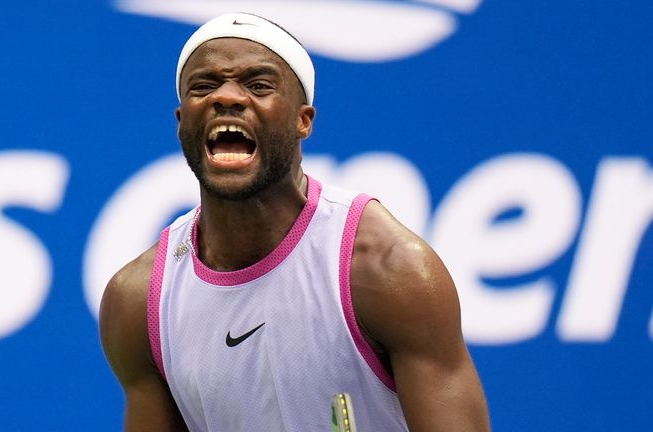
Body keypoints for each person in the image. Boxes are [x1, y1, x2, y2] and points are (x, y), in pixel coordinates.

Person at [100, 12, 490, 432]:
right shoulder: (138, 300)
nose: (226, 98)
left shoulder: (389, 270)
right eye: (205, 85)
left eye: (258, 85)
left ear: (303, 120)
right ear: (182, 124)